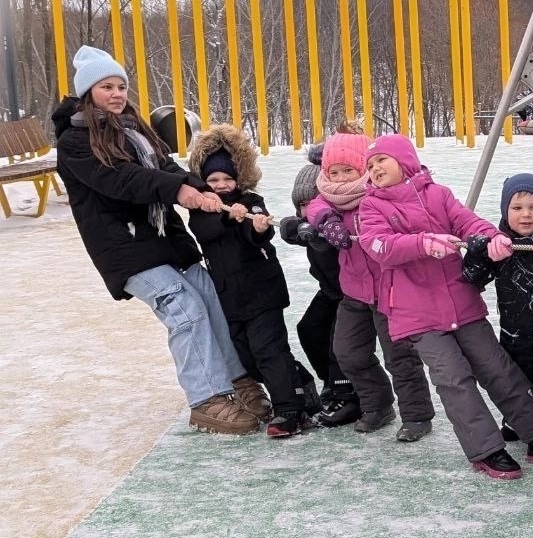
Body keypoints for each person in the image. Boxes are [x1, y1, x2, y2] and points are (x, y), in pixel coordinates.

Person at [52, 45, 261, 434]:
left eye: (121, 86)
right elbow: (120, 180)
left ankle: (237, 379)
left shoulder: (135, 130)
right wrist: (179, 190)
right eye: (106, 87)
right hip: (123, 247)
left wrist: (203, 189)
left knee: (208, 294)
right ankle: (206, 398)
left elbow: (165, 166)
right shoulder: (75, 142)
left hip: (165, 239)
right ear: (87, 93)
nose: (116, 94)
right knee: (182, 306)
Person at [357, 134, 533, 479]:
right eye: (370, 166)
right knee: (454, 379)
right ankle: (486, 448)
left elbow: (468, 222)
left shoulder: (438, 195)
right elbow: (378, 244)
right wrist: (423, 243)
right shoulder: (372, 206)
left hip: (460, 302)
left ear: (405, 161)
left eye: (381, 161)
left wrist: (493, 237)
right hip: (416, 312)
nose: (374, 169)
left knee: (497, 366)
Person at [187, 124, 321, 437]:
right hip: (229, 298)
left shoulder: (250, 201)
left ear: (239, 177)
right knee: (245, 357)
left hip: (261, 293)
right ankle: (298, 382)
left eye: (227, 178)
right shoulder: (202, 212)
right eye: (213, 180)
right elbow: (206, 231)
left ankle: (289, 410)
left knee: (269, 350)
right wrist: (225, 215)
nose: (221, 185)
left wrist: (257, 226)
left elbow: (258, 232)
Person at [306, 131, 436, 441]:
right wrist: (325, 220)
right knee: (347, 352)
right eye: (333, 172)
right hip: (354, 290)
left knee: (399, 356)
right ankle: (377, 404)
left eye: (348, 171)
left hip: (391, 290)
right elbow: (314, 205)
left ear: (362, 169)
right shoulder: (329, 198)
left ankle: (417, 415)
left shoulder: (380, 192)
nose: (339, 178)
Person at [462, 173, 533, 449]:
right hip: (513, 330)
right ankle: (521, 421)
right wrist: (475, 255)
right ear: (505, 211)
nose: (526, 215)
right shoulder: (501, 244)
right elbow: (474, 279)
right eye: (517, 208)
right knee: (517, 380)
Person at [279, 143, 361, 426]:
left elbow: (329, 244)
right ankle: (331, 382)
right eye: (302, 205)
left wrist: (317, 234)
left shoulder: (335, 225)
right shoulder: (306, 225)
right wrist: (293, 227)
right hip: (330, 290)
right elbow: (291, 228)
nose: (307, 211)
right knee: (309, 328)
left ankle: (349, 394)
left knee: (339, 342)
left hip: (353, 292)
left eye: (312, 203)